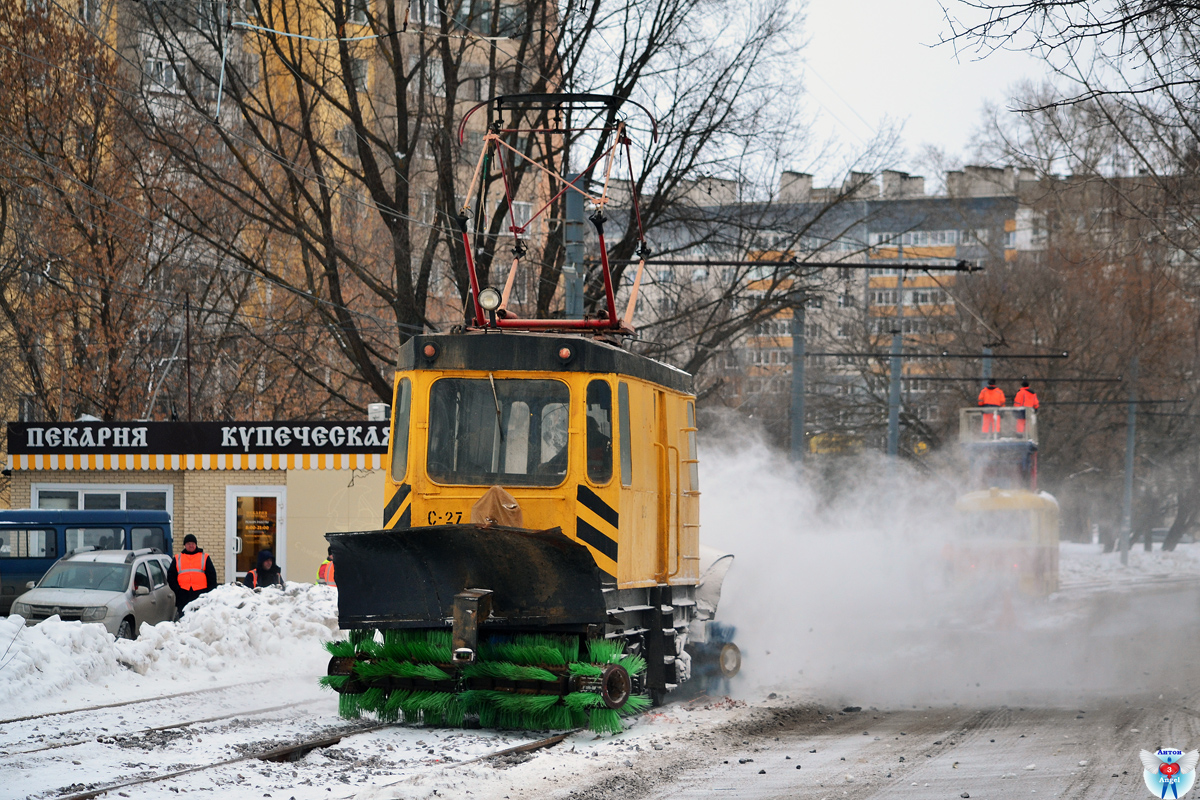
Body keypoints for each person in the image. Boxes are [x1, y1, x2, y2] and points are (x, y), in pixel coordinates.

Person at [167, 534, 218, 617]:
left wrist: (209, 592)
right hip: (183, 594)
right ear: (185, 545)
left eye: (193, 543)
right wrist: (177, 590)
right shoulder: (177, 558)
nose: (191, 545)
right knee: (184, 618)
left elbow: (212, 576)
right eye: (188, 544)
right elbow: (171, 576)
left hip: (201, 593)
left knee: (200, 617)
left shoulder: (204, 557)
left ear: (196, 544)